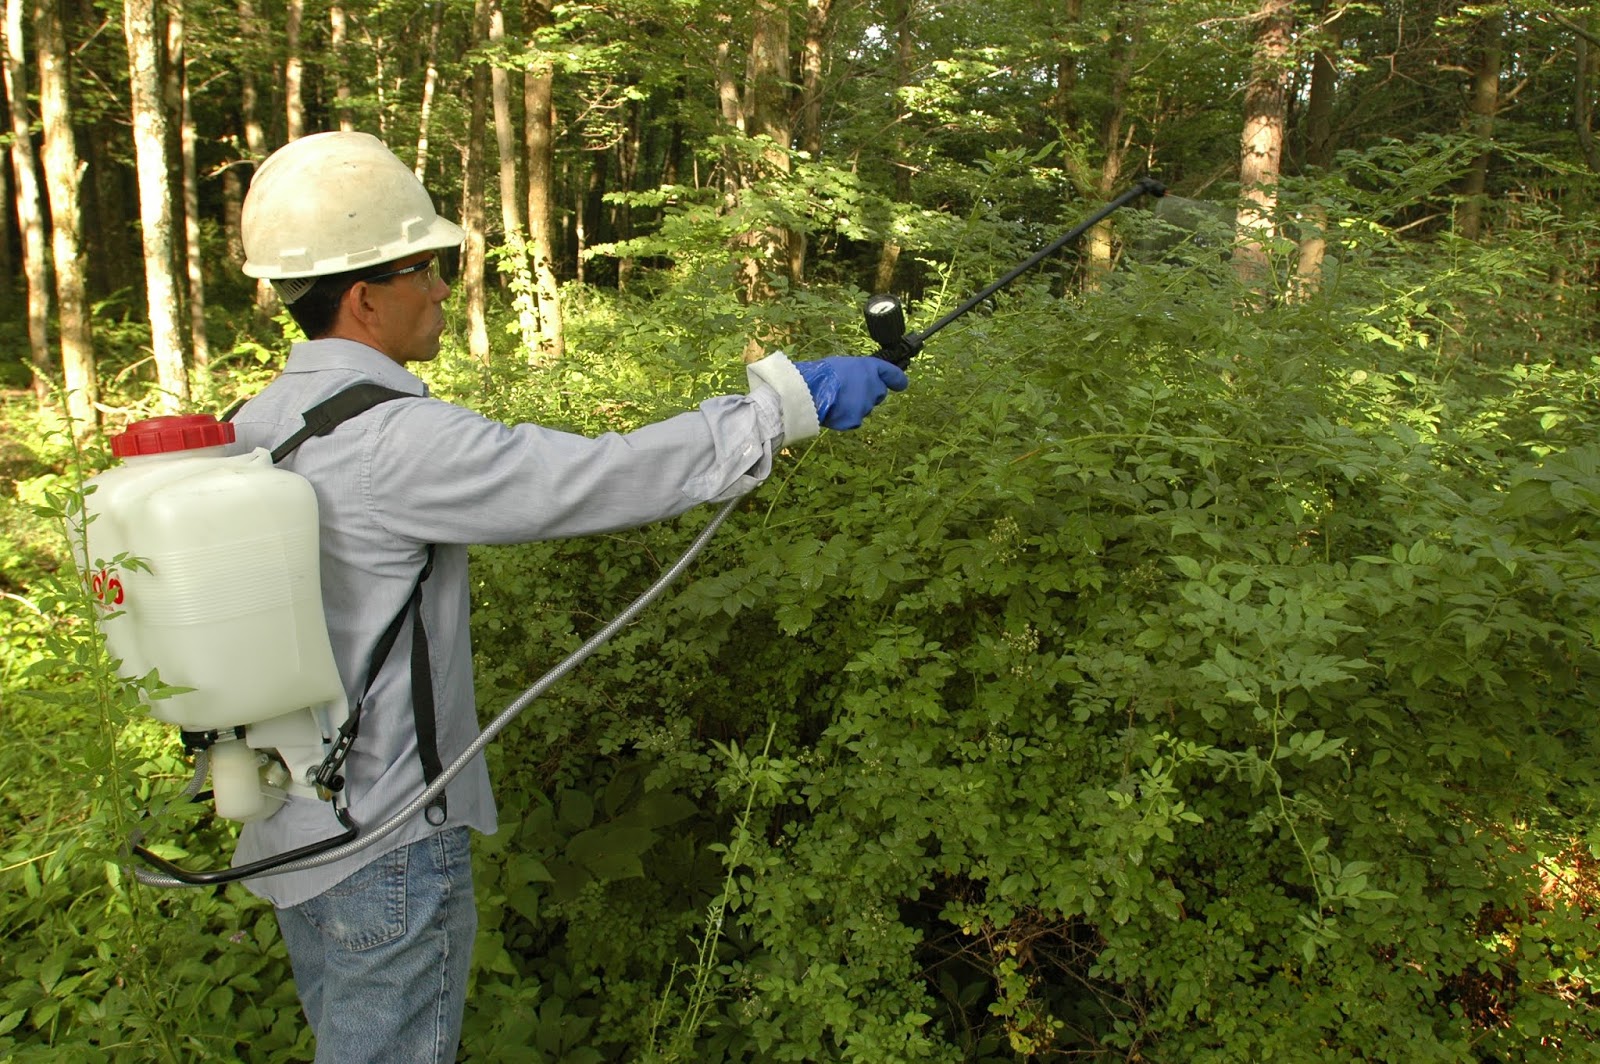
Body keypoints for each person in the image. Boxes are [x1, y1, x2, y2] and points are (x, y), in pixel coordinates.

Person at [226, 131, 907, 1063]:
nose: (441, 287)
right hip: (383, 843)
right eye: (425, 267)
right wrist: (788, 405)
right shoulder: (391, 441)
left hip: (290, 833)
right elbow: (590, 477)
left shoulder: (252, 424)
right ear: (363, 296)